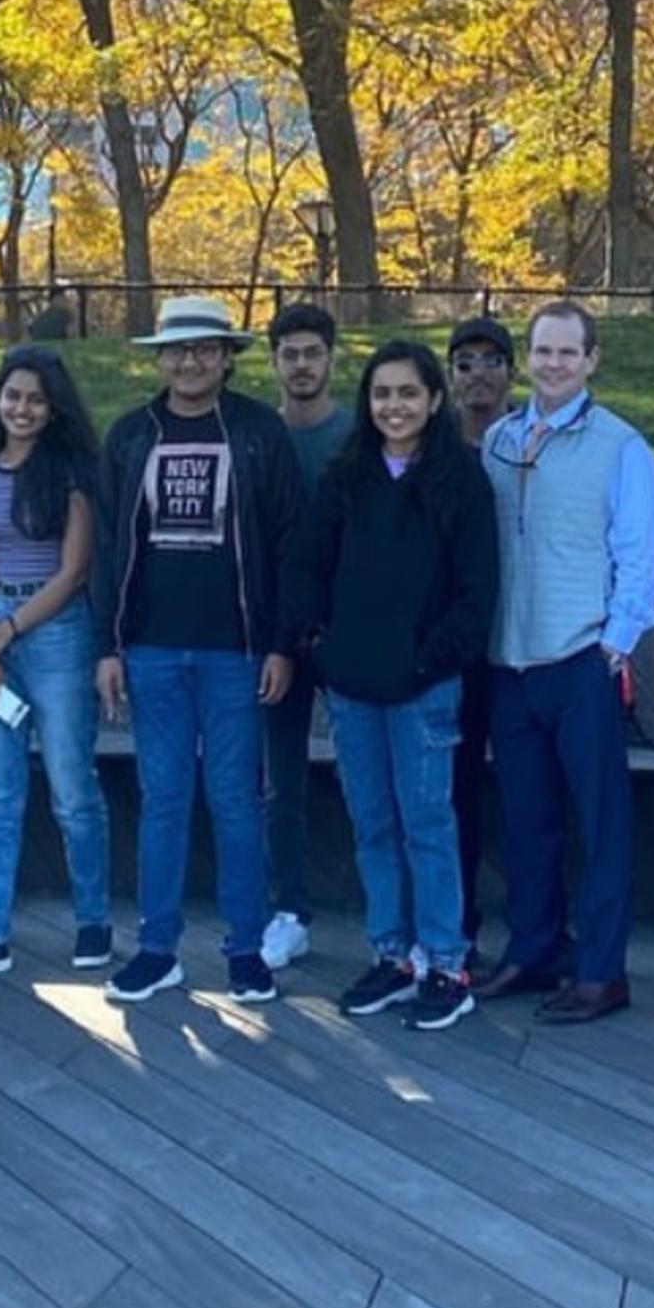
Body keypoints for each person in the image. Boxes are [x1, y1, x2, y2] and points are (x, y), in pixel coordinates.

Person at [91, 294, 302, 1006]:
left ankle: (246, 950)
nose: (191, 360)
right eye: (179, 349)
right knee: (163, 800)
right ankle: (157, 948)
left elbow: (286, 542)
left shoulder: (257, 431)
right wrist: (108, 645)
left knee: (238, 800)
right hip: (150, 646)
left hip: (237, 649)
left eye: (206, 348)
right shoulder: (130, 435)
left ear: (227, 356)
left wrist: (280, 643)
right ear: (160, 357)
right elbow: (108, 548)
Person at [284, 341, 497, 1032]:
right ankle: (392, 954)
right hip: (352, 686)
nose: (394, 407)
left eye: (409, 393)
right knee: (372, 824)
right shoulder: (346, 476)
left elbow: (477, 591)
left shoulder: (460, 479)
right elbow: (309, 567)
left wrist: (427, 660)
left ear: (435, 400)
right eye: (382, 394)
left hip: (423, 688)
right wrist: (323, 648)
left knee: (427, 825)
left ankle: (446, 962)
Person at [479, 301, 654, 1025]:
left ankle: (601, 970)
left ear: (591, 360)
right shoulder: (498, 440)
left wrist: (613, 644)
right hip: (511, 661)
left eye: (567, 352)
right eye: (542, 351)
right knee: (527, 819)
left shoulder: (621, 446)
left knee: (602, 821)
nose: (553, 363)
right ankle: (533, 949)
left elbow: (641, 555)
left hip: (581, 656)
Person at [0, 346, 112, 985]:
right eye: (12, 396)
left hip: (56, 636)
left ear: (54, 407)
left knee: (72, 788)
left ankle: (93, 920)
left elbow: (73, 571)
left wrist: (10, 631)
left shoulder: (72, 474)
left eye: (35, 399)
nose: (22, 408)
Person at [262, 299, 345, 970]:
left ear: (331, 358)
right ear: (274, 362)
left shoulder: (356, 432)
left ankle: (392, 920)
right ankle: (288, 908)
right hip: (276, 636)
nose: (301, 364)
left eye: (312, 352)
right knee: (278, 776)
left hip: (349, 632)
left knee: (371, 777)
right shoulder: (261, 434)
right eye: (289, 353)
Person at [444, 316, 514, 958]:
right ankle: (455, 927)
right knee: (454, 790)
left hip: (525, 646)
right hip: (456, 654)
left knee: (530, 792)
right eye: (465, 363)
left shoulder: (533, 442)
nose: (478, 375)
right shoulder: (433, 449)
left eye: (492, 361)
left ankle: (540, 932)